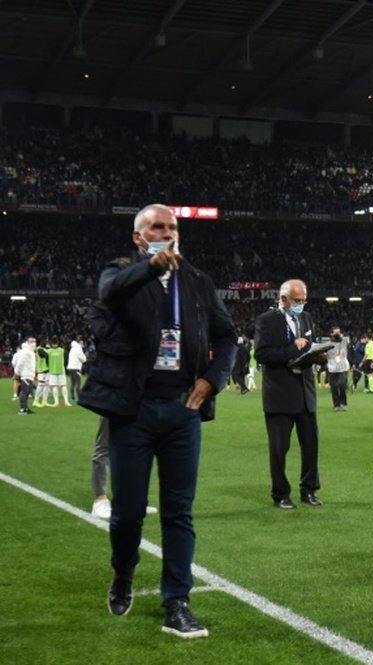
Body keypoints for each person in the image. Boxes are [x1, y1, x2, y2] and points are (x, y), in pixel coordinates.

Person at [79, 203, 237, 638]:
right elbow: (109, 294)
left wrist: (211, 380)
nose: (166, 232)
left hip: (182, 407)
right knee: (127, 512)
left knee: (178, 511)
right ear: (139, 236)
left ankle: (177, 601)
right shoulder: (120, 273)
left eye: (171, 227)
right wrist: (151, 267)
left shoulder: (199, 282)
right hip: (133, 410)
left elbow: (227, 337)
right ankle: (124, 573)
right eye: (156, 227)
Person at [254, 279, 324, 509]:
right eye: (297, 300)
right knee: (279, 449)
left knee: (311, 445)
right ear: (283, 299)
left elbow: (308, 346)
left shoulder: (306, 318)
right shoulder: (267, 320)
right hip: (280, 395)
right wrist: (293, 348)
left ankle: (309, 490)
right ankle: (281, 494)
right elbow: (262, 354)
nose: (301, 304)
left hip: (305, 393)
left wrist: (318, 357)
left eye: (304, 300)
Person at [326, 326, 351, 411]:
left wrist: (352, 363)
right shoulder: (328, 344)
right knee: (334, 387)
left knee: (342, 385)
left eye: (339, 332)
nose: (337, 334)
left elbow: (349, 352)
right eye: (335, 332)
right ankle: (336, 405)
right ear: (331, 334)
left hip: (343, 367)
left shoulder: (344, 342)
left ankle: (343, 403)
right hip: (332, 367)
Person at [12, 338, 37, 415]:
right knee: (24, 392)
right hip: (25, 374)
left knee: (27, 392)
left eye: (35, 341)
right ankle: (22, 409)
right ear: (27, 342)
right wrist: (17, 373)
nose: (34, 343)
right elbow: (20, 363)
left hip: (29, 374)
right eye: (32, 341)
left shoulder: (30, 351)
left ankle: (25, 408)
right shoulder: (26, 351)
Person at [45, 340, 70, 406]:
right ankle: (64, 402)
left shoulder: (49, 351)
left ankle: (60, 402)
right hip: (58, 370)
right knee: (61, 386)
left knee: (58, 386)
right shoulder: (61, 350)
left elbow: (46, 359)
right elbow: (66, 358)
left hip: (56, 370)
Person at [67, 339, 88, 403]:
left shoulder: (72, 349)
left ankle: (72, 397)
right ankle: (80, 398)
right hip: (76, 368)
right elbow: (84, 359)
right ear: (79, 343)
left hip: (70, 368)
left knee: (73, 383)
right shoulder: (78, 349)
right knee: (78, 383)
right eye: (82, 343)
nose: (83, 345)